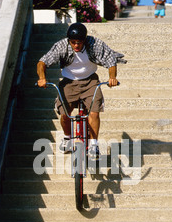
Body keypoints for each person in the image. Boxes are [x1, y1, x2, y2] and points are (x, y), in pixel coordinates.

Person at [37, 22, 126, 159]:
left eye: (79, 42)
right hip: (69, 82)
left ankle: (93, 144)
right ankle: (67, 138)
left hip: (90, 81)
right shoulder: (62, 46)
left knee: (95, 112)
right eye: (73, 42)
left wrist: (112, 77)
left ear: (84, 40)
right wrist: (42, 78)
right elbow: (42, 62)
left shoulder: (94, 44)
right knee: (65, 114)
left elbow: (110, 60)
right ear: (69, 41)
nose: (76, 45)